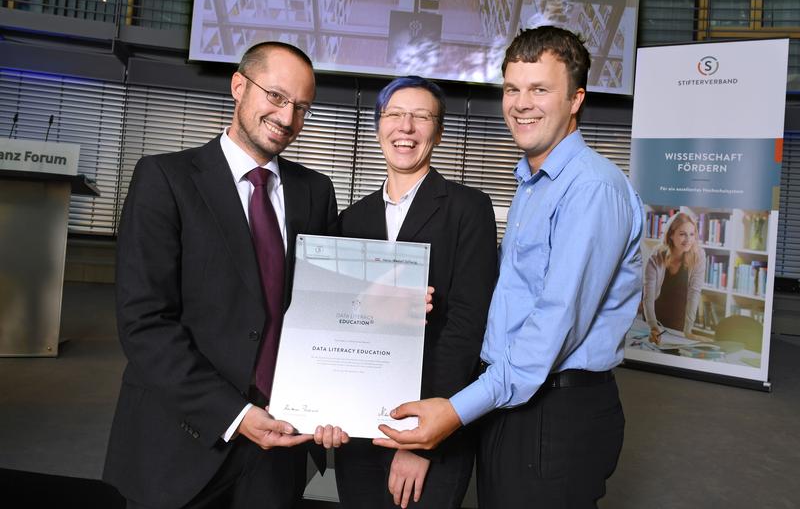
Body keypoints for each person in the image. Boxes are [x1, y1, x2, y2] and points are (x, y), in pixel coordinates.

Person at [373, 26, 644, 509]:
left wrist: (455, 410)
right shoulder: (533, 183)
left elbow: (550, 329)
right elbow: (507, 299)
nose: (521, 103)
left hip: (555, 413)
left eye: (540, 89)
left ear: (576, 98)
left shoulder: (591, 190)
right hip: (511, 404)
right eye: (513, 89)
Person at [103, 41, 348, 509]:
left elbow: (327, 308)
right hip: (180, 441)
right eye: (276, 96)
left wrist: (389, 306)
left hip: (279, 445)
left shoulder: (315, 192)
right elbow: (144, 323)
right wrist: (235, 414)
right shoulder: (164, 179)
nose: (287, 116)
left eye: (301, 107)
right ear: (239, 86)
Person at [334, 76, 497, 509]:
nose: (406, 127)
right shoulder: (350, 220)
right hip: (359, 420)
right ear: (377, 127)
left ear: (438, 133)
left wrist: (419, 442)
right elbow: (335, 319)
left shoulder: (469, 209)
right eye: (394, 115)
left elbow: (466, 328)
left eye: (421, 117)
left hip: (433, 426)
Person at [642, 212, 708, 344]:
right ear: (671, 235)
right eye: (682, 234)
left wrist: (688, 329)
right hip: (654, 316)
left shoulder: (698, 255)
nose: (688, 239)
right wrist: (653, 326)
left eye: (692, 234)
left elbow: (694, 293)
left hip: (679, 318)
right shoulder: (656, 256)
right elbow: (648, 297)